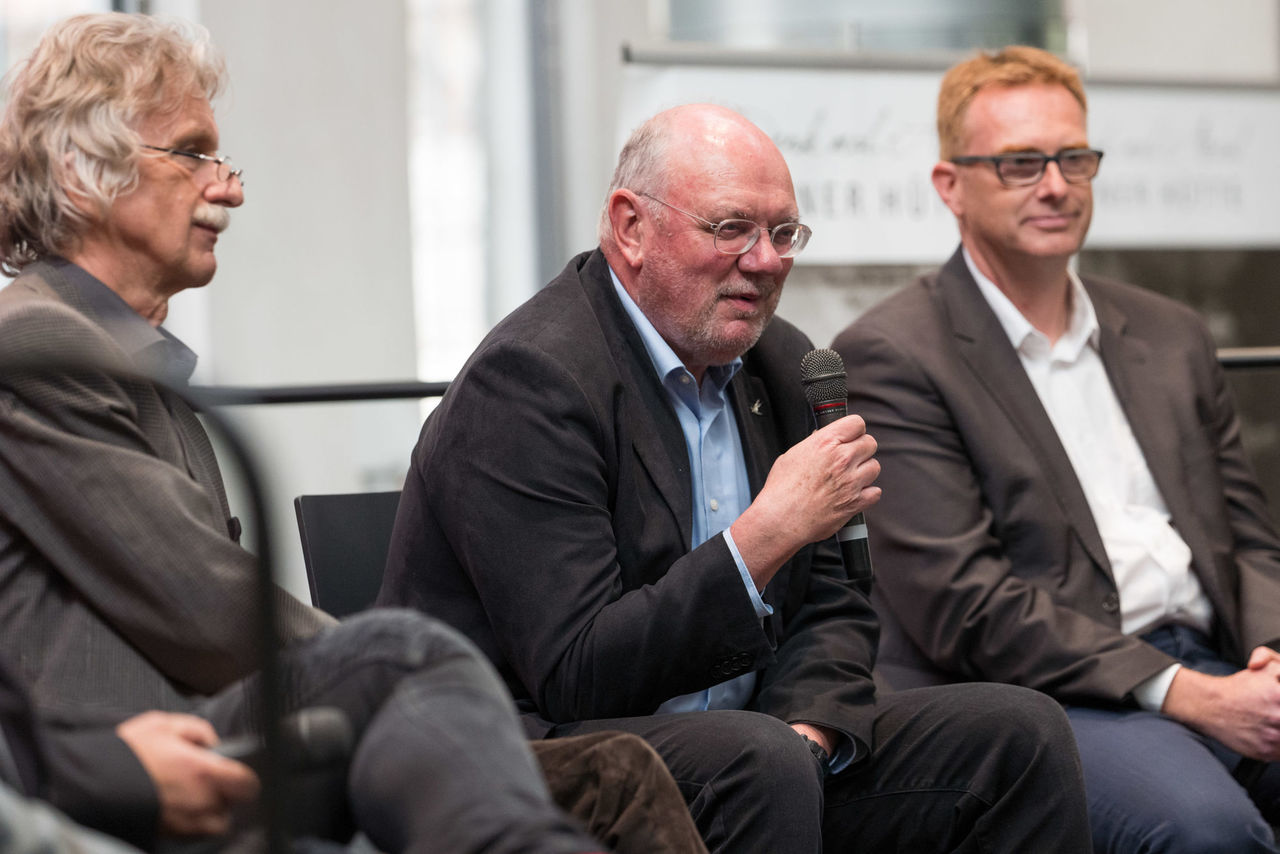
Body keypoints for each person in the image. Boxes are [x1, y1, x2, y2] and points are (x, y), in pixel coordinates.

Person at [0, 13, 704, 854]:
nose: (228, 188)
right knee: (403, 660)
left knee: (614, 774)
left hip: (216, 741)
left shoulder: (137, 366)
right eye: (192, 154)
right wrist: (403, 680)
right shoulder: (36, 345)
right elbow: (209, 612)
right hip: (118, 768)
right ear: (83, 175)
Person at [379, 101, 1092, 853]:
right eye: (730, 229)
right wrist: (763, 538)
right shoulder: (532, 380)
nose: (766, 260)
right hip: (542, 757)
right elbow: (576, 672)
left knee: (1018, 735)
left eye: (783, 233)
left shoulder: (785, 364)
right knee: (756, 762)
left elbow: (837, 603)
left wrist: (810, 726)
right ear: (630, 228)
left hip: (758, 759)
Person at [831, 45, 1280, 853]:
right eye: (1019, 163)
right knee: (1207, 835)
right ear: (950, 187)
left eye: (1074, 157)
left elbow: (1248, 536)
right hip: (1051, 694)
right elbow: (964, 602)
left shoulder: (1171, 334)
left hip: (1216, 655)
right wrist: (1180, 691)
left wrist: (1267, 662)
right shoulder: (894, 354)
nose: (1055, 184)